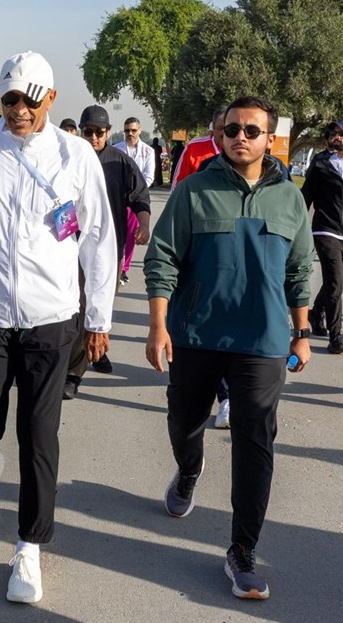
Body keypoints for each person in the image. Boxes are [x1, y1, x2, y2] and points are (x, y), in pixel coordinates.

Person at [0, 51, 116, 604]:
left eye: (30, 100)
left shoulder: (75, 155)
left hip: (51, 320)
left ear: (50, 98)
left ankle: (29, 546)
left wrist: (98, 317)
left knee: (39, 434)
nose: (19, 110)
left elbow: (97, 238)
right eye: (9, 99)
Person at [145, 96, 313, 601]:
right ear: (221, 134)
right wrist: (158, 326)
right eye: (232, 129)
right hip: (196, 334)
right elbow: (162, 257)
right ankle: (189, 469)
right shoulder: (194, 190)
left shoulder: (290, 200)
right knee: (184, 421)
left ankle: (243, 550)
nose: (240, 137)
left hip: (262, 341)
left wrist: (302, 332)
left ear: (269, 139)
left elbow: (299, 270)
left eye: (252, 130)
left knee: (255, 441)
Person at [63, 105, 149, 396]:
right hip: (71, 247)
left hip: (108, 250)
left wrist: (144, 225)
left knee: (97, 305)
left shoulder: (119, 162)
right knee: (75, 307)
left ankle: (91, 355)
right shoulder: (67, 159)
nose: (94, 138)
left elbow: (140, 197)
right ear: (80, 131)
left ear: (108, 132)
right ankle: (73, 372)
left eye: (99, 133)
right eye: (88, 132)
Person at [302, 120, 343, 353]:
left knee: (336, 281)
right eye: (334, 133)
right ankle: (336, 337)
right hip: (326, 230)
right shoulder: (321, 164)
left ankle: (316, 312)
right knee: (335, 283)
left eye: (342, 133)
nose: (338, 137)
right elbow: (305, 197)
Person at [113, 117, 155, 285]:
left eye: (133, 130)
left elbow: (149, 176)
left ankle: (124, 269)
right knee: (116, 234)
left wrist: (136, 191)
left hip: (136, 200)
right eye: (127, 130)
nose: (130, 133)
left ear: (139, 131)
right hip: (118, 199)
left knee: (131, 235)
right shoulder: (116, 149)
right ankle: (114, 265)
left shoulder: (148, 152)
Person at [171, 108, 225, 188]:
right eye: (220, 128)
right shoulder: (194, 147)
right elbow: (178, 185)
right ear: (213, 129)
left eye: (230, 128)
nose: (225, 133)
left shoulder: (242, 150)